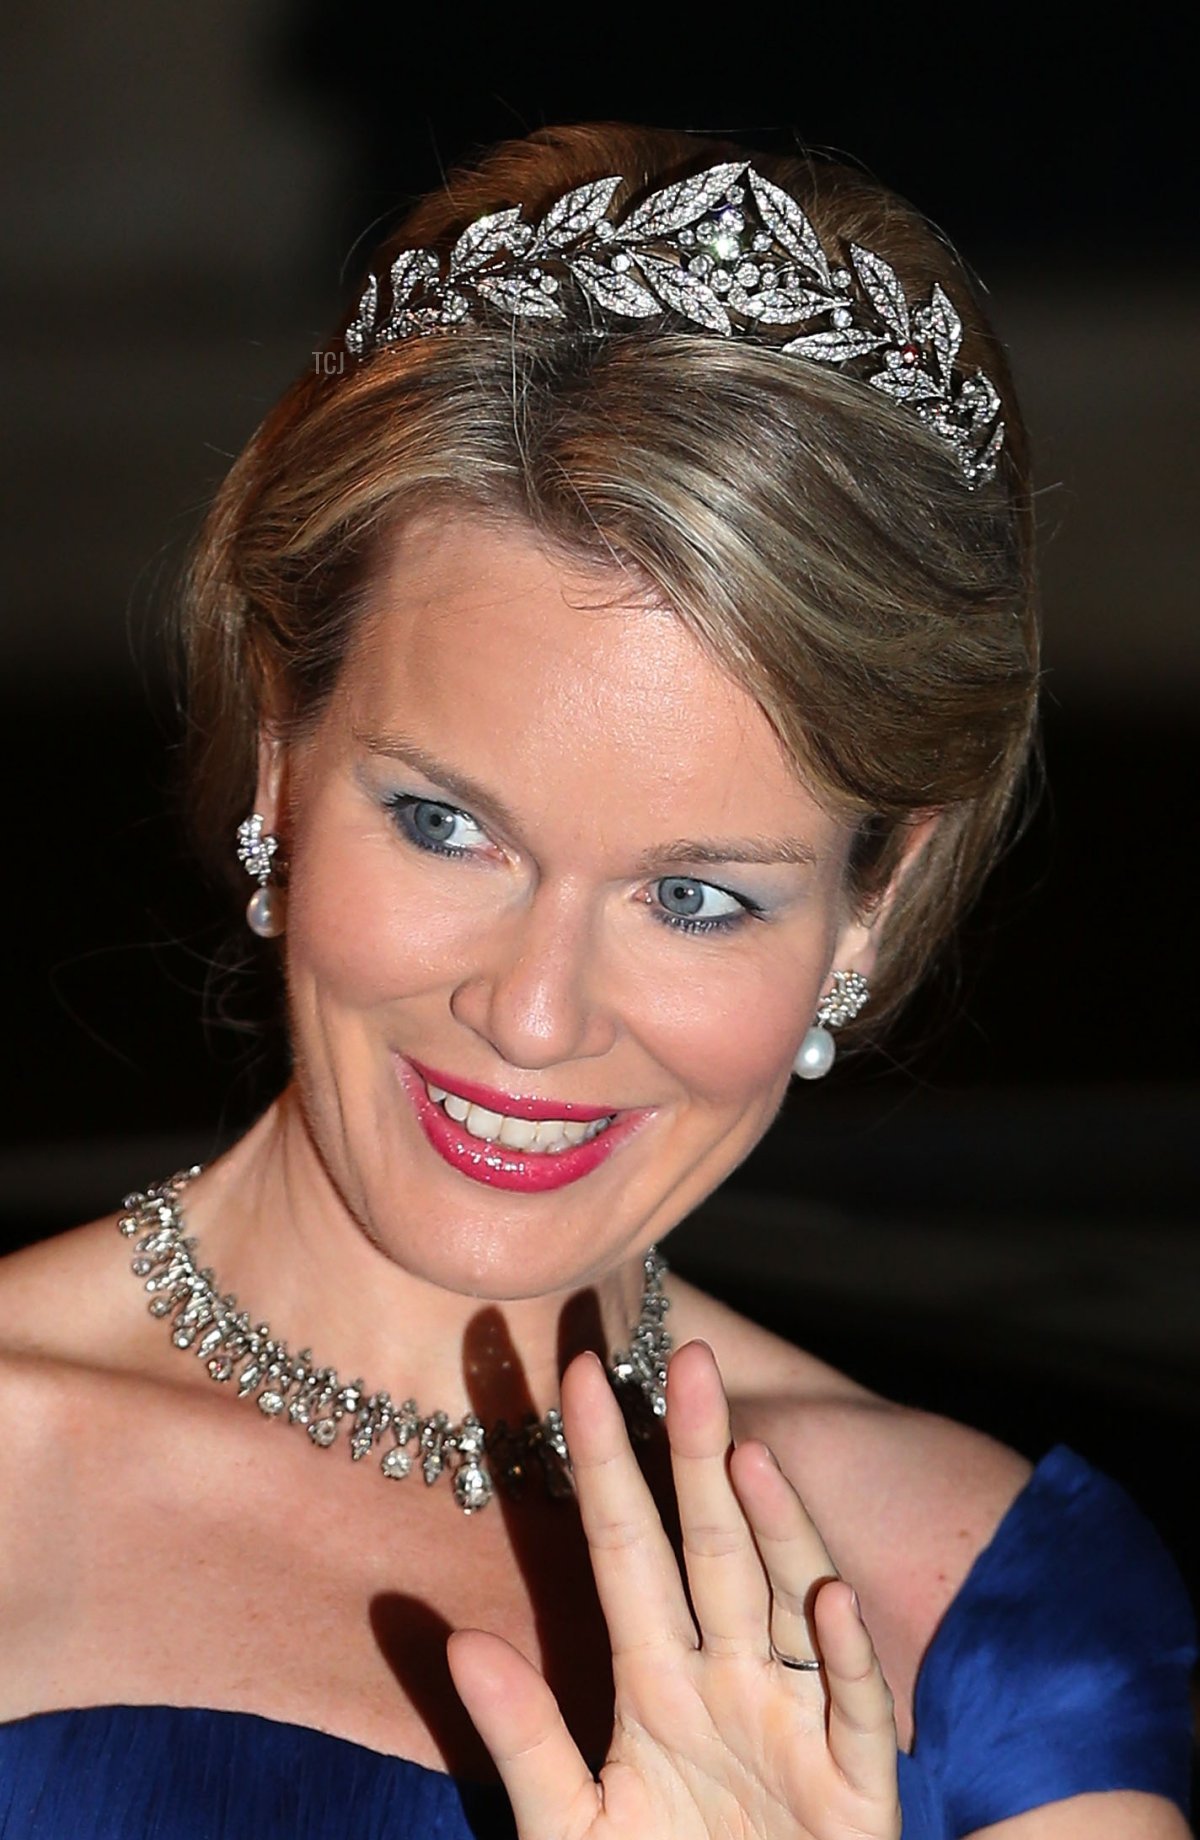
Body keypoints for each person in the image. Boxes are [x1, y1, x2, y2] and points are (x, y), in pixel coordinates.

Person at [0, 122, 1193, 1840]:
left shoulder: (965, 1604)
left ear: (875, 901)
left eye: (697, 896)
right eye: (443, 825)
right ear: (280, 754)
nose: (537, 1015)